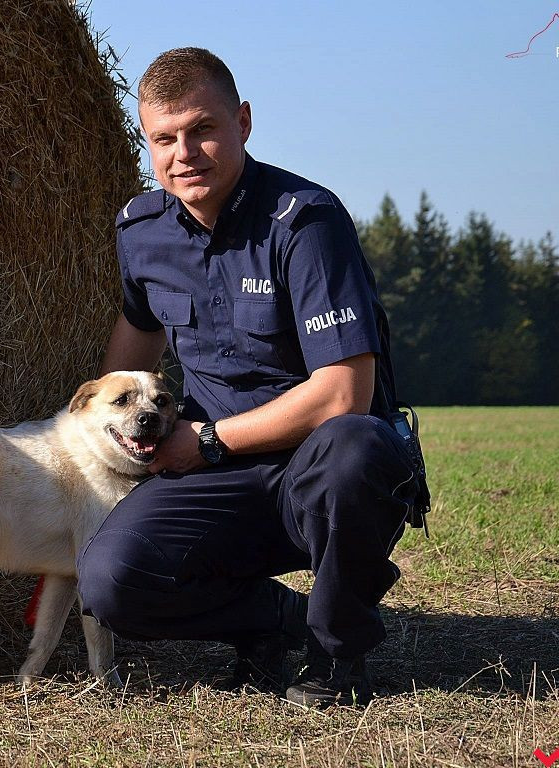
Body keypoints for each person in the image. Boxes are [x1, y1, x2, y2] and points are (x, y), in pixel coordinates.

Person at [75, 47, 427, 708]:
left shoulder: (304, 222)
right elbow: (133, 348)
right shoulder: (142, 231)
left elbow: (344, 392)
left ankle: (337, 652)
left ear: (242, 120)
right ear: (147, 143)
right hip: (221, 478)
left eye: (203, 129)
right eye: (164, 138)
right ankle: (273, 621)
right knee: (110, 581)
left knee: (356, 444)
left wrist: (205, 443)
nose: (186, 152)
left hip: (317, 471)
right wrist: (105, 437)